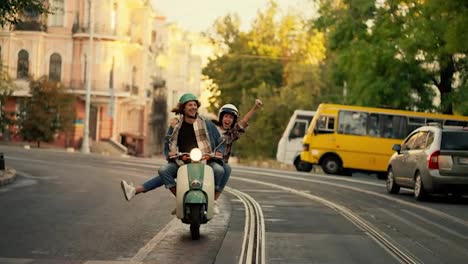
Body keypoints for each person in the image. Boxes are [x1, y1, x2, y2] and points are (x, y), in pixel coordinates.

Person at [121, 93, 225, 211]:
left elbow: (220, 140)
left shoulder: (206, 123)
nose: (193, 107)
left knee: (219, 170)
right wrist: (169, 154)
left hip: (205, 159)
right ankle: (181, 200)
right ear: (183, 108)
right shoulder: (175, 125)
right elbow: (168, 143)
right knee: (164, 171)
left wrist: (219, 152)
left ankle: (212, 201)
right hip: (183, 160)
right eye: (190, 105)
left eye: (195, 105)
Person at [214, 99, 263, 201]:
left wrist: (255, 107)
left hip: (220, 162)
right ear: (221, 117)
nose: (228, 119)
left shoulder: (232, 133)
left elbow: (244, 121)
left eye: (231, 117)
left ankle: (214, 199)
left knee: (227, 169)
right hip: (205, 159)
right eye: (226, 116)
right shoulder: (211, 127)